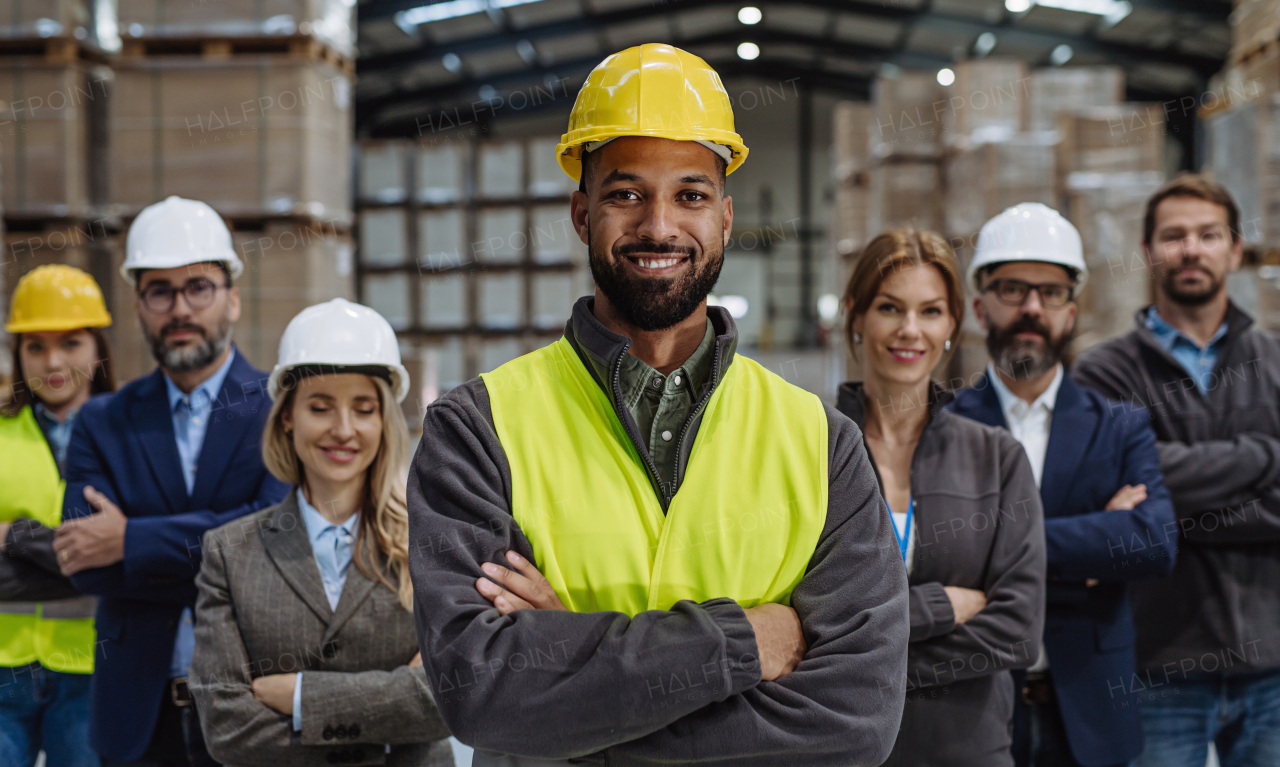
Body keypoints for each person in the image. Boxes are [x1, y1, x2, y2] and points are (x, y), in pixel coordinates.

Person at [406, 43, 910, 766]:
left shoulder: (819, 442)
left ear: (727, 217)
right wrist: (742, 641)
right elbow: (480, 689)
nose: (660, 226)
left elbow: (856, 719)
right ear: (583, 213)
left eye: (691, 194)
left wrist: (578, 670)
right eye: (626, 193)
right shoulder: (478, 429)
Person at [56, 196, 290, 766]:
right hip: (136, 714)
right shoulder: (102, 420)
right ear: (139, 306)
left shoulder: (280, 408)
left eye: (198, 287)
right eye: (160, 290)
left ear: (232, 299)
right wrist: (226, 548)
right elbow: (87, 559)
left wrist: (131, 541)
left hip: (253, 703)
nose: (179, 307)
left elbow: (279, 542)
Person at [948, 203, 1177, 767]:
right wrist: (1094, 541)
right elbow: (933, 553)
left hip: (1090, 712)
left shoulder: (1120, 426)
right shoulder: (942, 427)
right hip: (975, 708)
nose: (1031, 307)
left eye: (1049, 292)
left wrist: (1003, 549)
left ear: (1071, 311)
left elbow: (1153, 541)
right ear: (980, 307)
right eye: (1012, 289)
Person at [189, 299, 454, 766]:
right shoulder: (229, 553)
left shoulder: (431, 542)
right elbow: (226, 726)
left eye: (364, 408)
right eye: (321, 406)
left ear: (383, 420)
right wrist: (391, 707)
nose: (344, 429)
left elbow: (450, 697)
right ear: (288, 416)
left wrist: (300, 697)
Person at [1074, 175, 1280, 767]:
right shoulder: (1103, 374)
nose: (1191, 248)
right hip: (1157, 665)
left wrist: (1168, 508)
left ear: (1235, 250)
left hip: (1273, 665)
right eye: (1174, 235)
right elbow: (1112, 499)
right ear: (1148, 252)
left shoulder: (1273, 363)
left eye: (1208, 234)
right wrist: (1266, 457)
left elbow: (1149, 500)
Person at [833, 228, 1045, 766]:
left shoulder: (996, 458)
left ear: (952, 323)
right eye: (889, 308)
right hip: (844, 749)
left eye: (929, 312)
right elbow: (802, 619)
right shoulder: (809, 450)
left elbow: (1018, 630)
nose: (910, 330)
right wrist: (939, 606)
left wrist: (858, 656)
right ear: (856, 314)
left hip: (968, 748)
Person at [0, 265, 115, 767]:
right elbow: (98, 561)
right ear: (17, 353)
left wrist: (14, 537)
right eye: (35, 346)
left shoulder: (130, 439)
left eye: (70, 343)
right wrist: (83, 557)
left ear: (98, 348)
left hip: (91, 664)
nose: (53, 362)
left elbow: (127, 562)